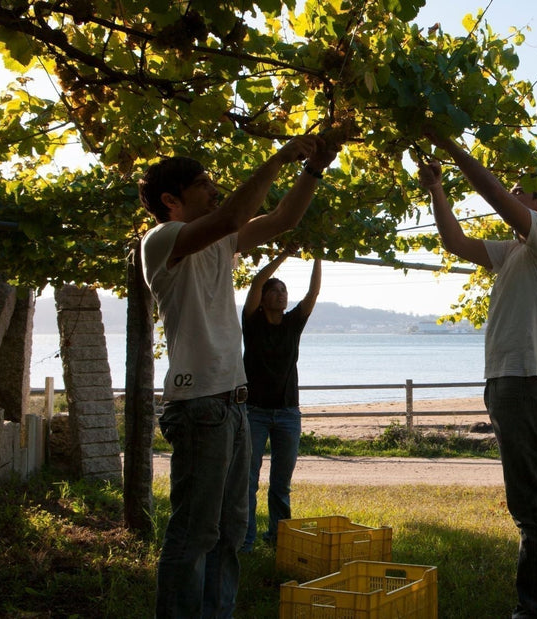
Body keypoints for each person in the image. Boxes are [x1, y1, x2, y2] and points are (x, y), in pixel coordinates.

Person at [140, 136, 337, 618]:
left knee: (230, 531)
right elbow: (231, 216)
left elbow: (283, 220)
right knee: (194, 533)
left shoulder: (221, 240)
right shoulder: (161, 240)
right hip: (199, 406)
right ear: (171, 200)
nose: (214, 188)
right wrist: (280, 156)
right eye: (203, 183)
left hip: (233, 404)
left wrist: (313, 168)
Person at [417, 135, 537, 618]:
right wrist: (436, 187)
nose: (512, 194)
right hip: (515, 380)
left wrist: (452, 145)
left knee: (529, 504)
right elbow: (453, 241)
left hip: (527, 381)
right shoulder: (514, 253)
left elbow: (494, 196)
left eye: (521, 191)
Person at [240, 252, 321, 551]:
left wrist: (319, 254)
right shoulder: (252, 322)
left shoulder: (293, 324)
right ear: (262, 299)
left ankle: (277, 539)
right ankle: (246, 541)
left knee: (280, 484)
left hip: (288, 413)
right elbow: (255, 282)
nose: (280, 294)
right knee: (248, 480)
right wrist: (284, 253)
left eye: (284, 290)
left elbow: (313, 293)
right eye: (274, 290)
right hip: (254, 412)